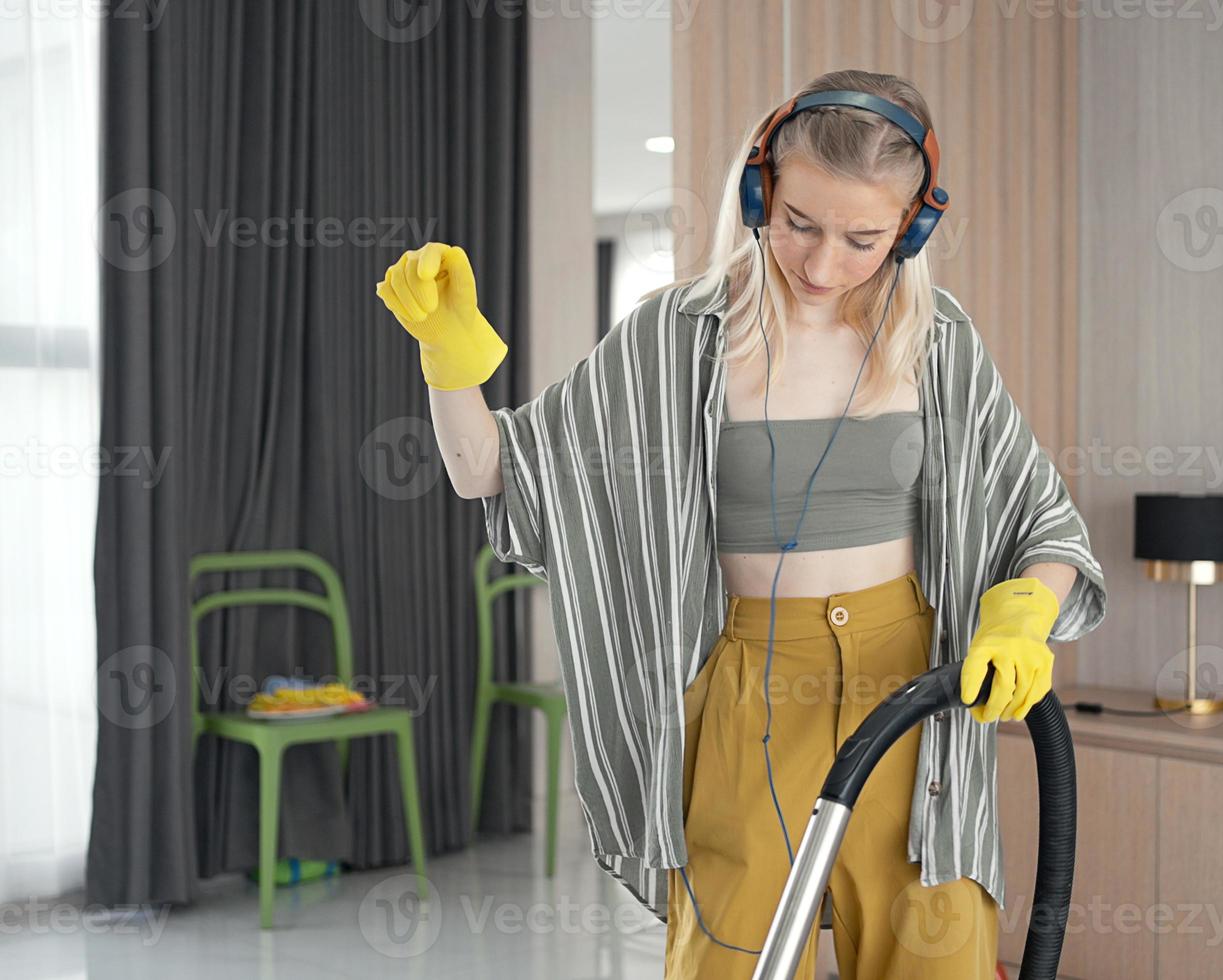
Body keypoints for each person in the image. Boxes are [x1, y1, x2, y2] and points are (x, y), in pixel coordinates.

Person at [376, 68, 1107, 980]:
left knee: (936, 955)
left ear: (913, 230)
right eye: (799, 222)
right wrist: (448, 355)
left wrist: (1021, 616)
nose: (820, 263)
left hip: (919, 702)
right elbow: (492, 472)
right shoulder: (674, 341)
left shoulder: (938, 344)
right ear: (760, 188)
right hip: (747, 698)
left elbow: (1048, 527)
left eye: (864, 238)